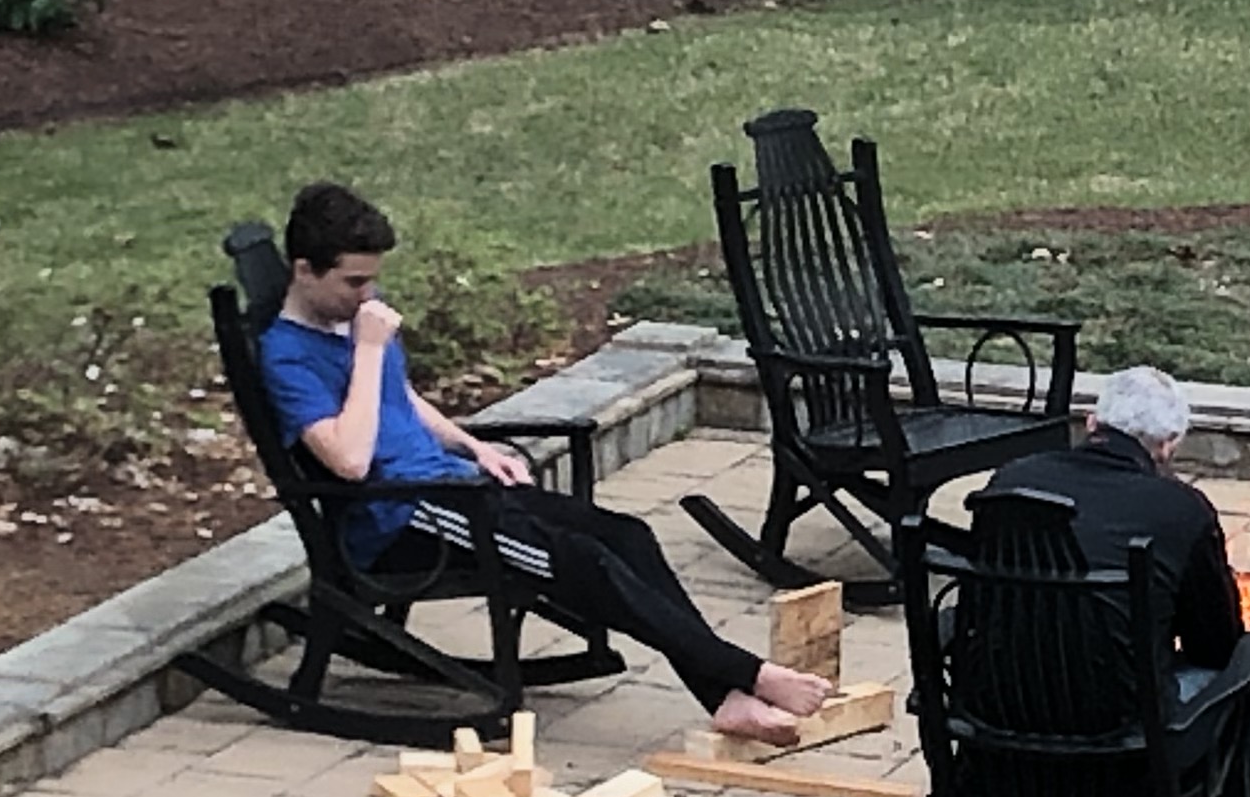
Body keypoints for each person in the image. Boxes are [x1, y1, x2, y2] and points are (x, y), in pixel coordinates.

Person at [263, 182, 830, 742]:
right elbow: (350, 462)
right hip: (402, 522)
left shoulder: (353, 322)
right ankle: (749, 674)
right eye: (354, 281)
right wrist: (367, 349)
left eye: (372, 278)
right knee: (584, 564)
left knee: (626, 536)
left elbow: (399, 398)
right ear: (305, 270)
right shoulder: (288, 357)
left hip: (455, 489)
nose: (368, 294)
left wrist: (475, 447)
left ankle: (727, 698)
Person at [987, 364, 1250, 797]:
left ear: (1091, 422)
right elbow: (1219, 650)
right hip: (1126, 764)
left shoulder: (1010, 482)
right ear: (1168, 446)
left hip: (1002, 748)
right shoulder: (1180, 510)